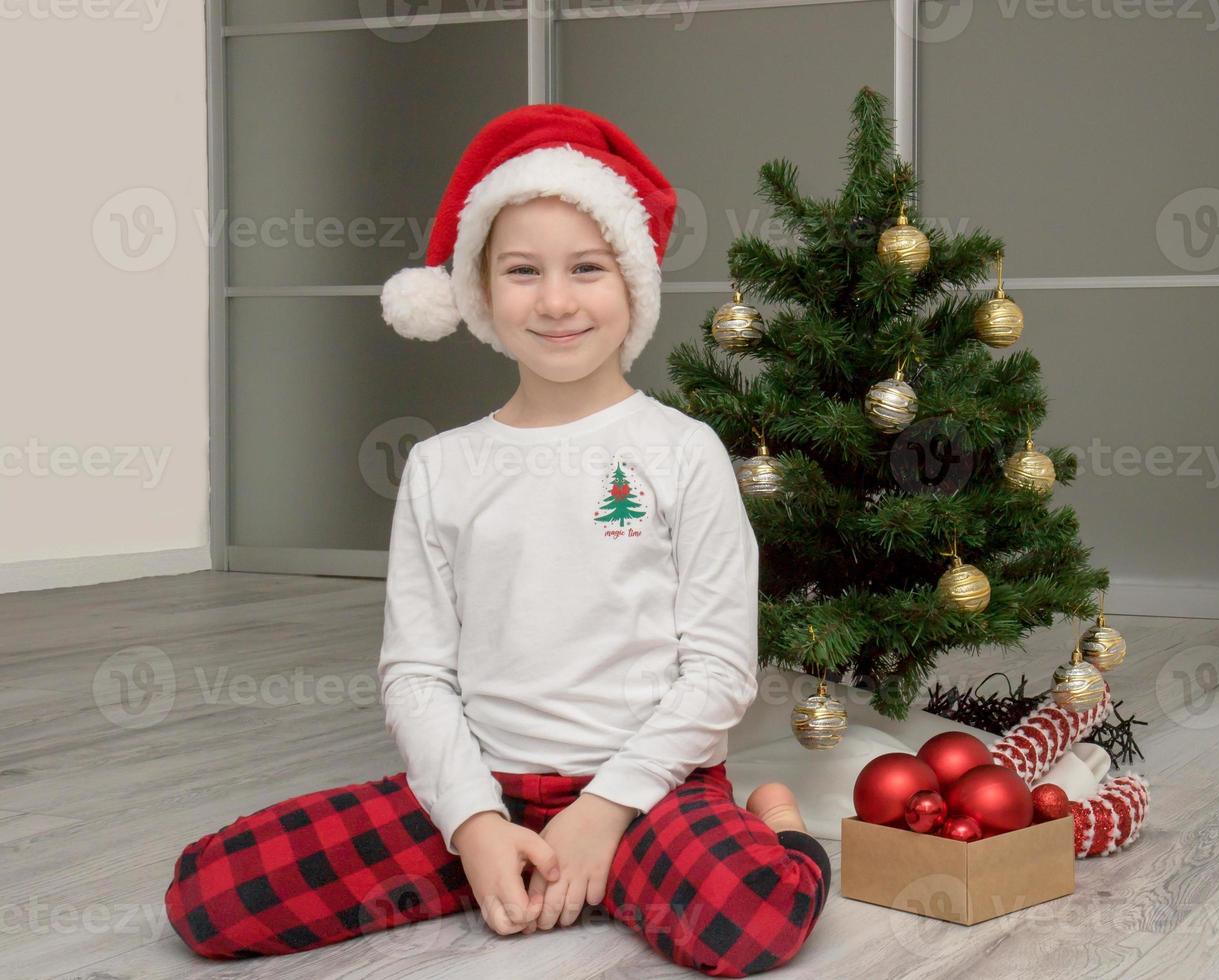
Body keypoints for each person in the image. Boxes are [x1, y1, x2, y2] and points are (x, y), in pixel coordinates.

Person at [163, 104, 831, 977]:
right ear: (480, 289)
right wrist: (472, 822)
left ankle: (770, 824)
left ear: (632, 285)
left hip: (648, 790)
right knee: (209, 899)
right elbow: (417, 671)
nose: (555, 301)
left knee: (751, 920)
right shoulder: (443, 467)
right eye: (523, 271)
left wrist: (606, 809)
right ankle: (504, 864)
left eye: (587, 268)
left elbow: (719, 670)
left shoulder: (681, 451)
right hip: (484, 782)